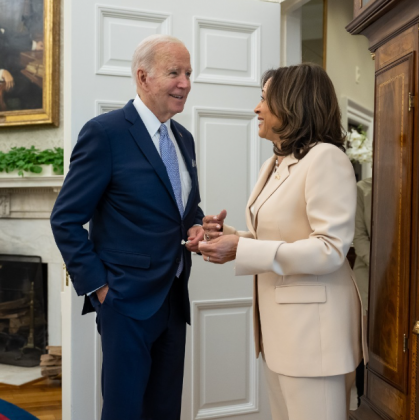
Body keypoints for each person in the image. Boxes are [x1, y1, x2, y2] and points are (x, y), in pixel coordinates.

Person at [50, 34, 205, 420]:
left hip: (173, 300)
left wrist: (199, 226)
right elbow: (65, 218)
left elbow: (184, 210)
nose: (185, 82)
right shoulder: (105, 133)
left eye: (188, 72)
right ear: (143, 77)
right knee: (124, 411)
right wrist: (101, 288)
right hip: (124, 302)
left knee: (165, 410)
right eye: (175, 72)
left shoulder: (183, 138)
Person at [199, 64, 366, 420]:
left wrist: (242, 249)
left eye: (264, 98)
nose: (257, 108)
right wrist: (226, 238)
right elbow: (274, 239)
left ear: (292, 104)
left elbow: (330, 249)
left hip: (313, 338)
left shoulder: (327, 159)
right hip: (278, 336)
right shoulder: (275, 162)